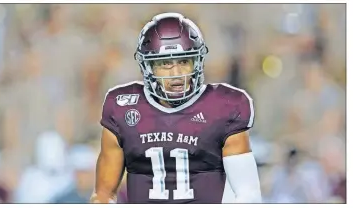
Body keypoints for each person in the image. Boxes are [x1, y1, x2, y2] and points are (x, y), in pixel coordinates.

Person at [91, 12, 261, 204]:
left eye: (183, 61)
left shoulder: (224, 106)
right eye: (165, 64)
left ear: (197, 62)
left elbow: (248, 194)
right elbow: (104, 195)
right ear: (149, 67)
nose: (177, 74)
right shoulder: (123, 107)